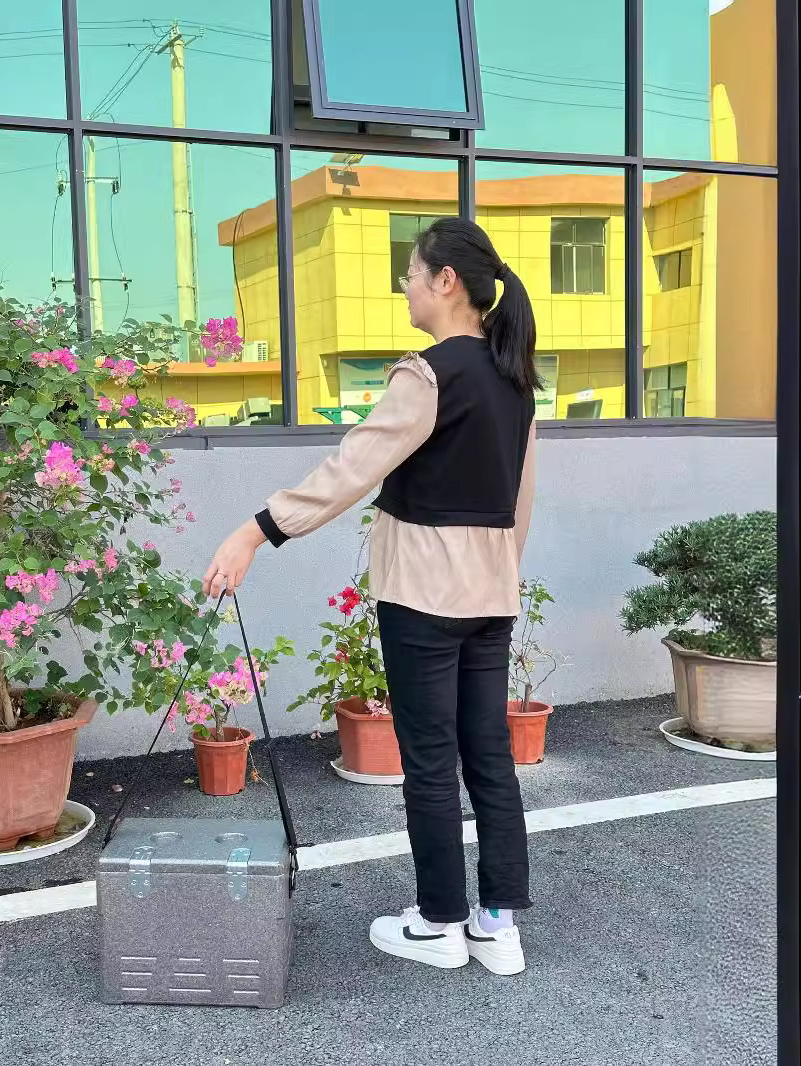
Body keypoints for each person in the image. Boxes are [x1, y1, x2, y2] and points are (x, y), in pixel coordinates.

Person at [204, 218, 538, 976]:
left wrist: (256, 531)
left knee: (428, 758)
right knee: (488, 752)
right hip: (491, 591)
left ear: (445, 281)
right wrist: (498, 571)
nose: (407, 286)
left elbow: (352, 467)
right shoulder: (515, 378)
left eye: (413, 274)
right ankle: (496, 924)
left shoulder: (426, 375)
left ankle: (439, 923)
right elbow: (520, 502)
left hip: (423, 591)